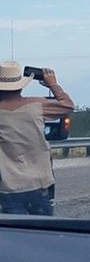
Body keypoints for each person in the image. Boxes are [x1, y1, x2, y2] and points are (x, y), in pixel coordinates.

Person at [0, 61, 74, 215]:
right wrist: (53, 85)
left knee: (16, 234)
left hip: (9, 186)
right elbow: (68, 106)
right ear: (20, 84)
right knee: (43, 231)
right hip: (39, 183)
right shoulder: (37, 105)